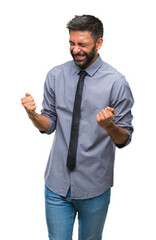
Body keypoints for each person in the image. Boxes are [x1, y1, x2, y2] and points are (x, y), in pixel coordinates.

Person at [20, 15, 134, 239]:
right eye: (72, 43)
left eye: (82, 44)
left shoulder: (116, 83)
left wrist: (109, 126)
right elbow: (49, 124)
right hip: (57, 184)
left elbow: (124, 139)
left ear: (98, 43)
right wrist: (33, 114)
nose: (75, 50)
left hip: (94, 186)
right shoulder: (56, 75)